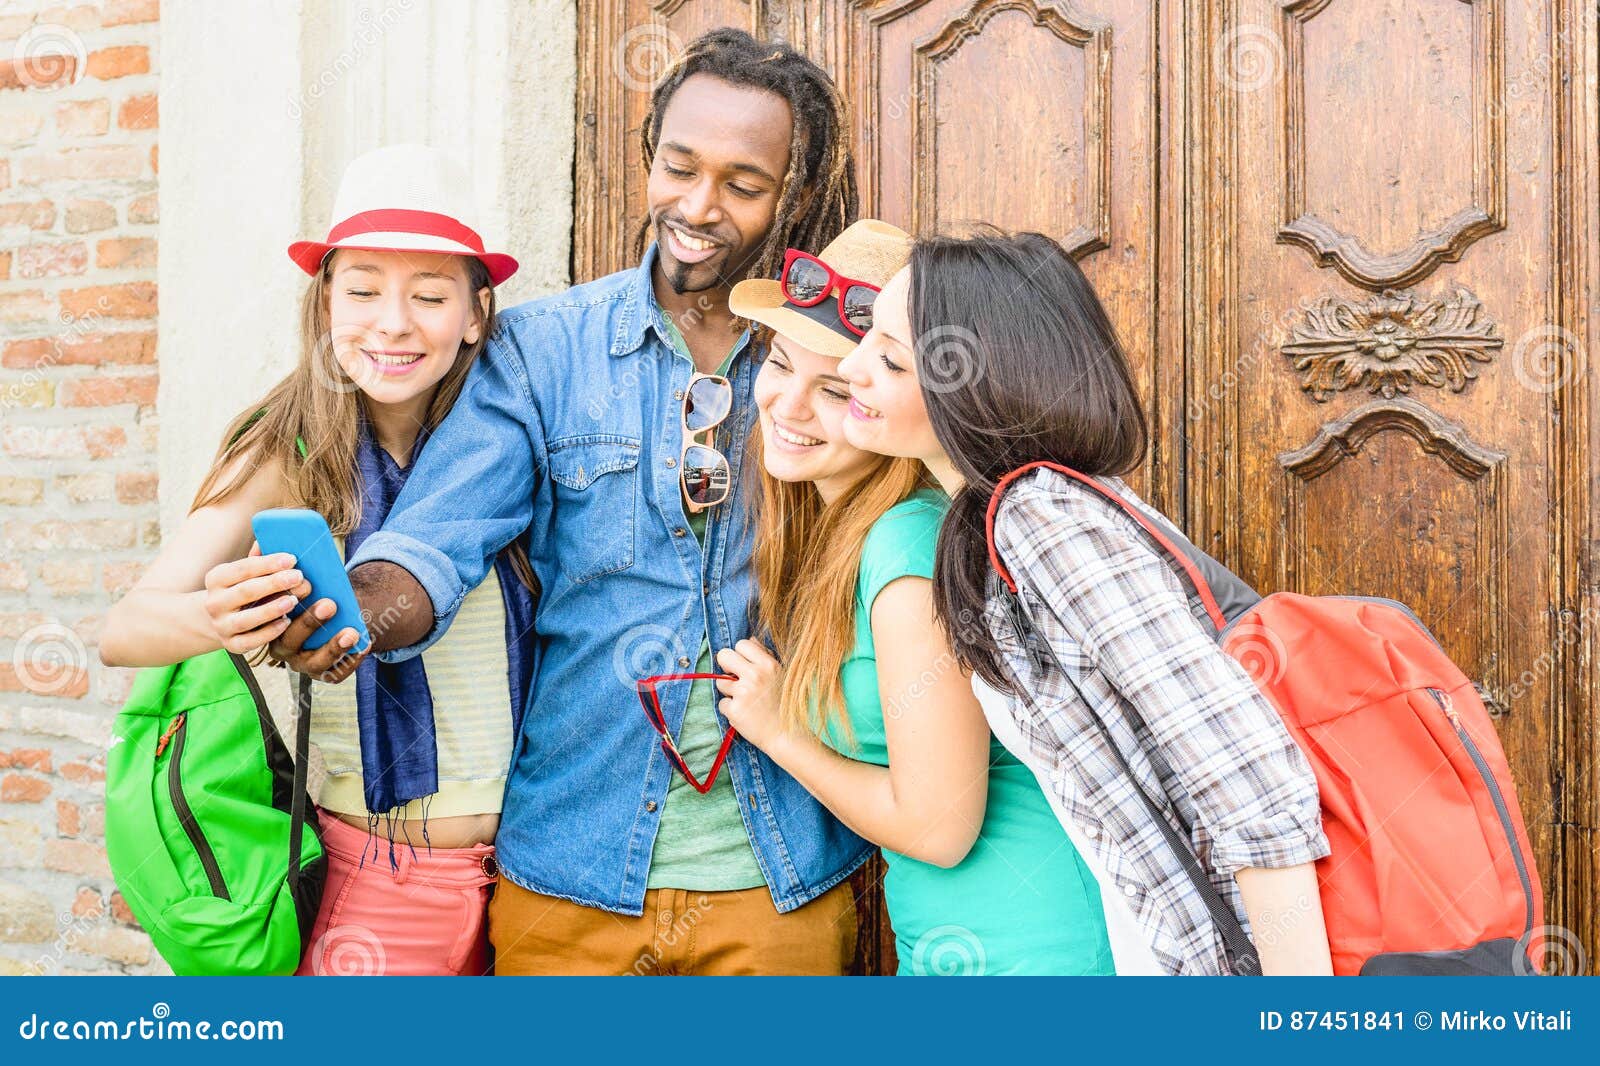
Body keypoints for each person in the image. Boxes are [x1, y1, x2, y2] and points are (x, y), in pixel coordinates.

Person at [271, 29, 871, 976]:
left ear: (791, 192)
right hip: (570, 879)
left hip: (782, 873)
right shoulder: (541, 350)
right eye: (678, 168)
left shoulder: (832, 363)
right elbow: (434, 539)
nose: (699, 206)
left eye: (743, 186)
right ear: (647, 160)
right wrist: (356, 619)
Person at [834, 228, 1334, 976]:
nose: (849, 369)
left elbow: (1248, 775)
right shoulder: (989, 523)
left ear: (977, 383)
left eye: (890, 358)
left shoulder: (1042, 517)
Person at [99, 144, 533, 976]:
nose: (394, 323)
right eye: (363, 290)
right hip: (381, 882)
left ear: (478, 313)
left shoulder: (511, 445)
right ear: (325, 301)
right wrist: (218, 617)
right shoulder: (291, 445)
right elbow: (124, 629)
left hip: (532, 878)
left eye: (431, 295)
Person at [713, 219, 1115, 975]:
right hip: (961, 946)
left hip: (1030, 955)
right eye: (778, 362)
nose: (789, 407)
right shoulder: (847, 537)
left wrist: (778, 733)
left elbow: (938, 827)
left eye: (834, 386)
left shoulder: (905, 546)